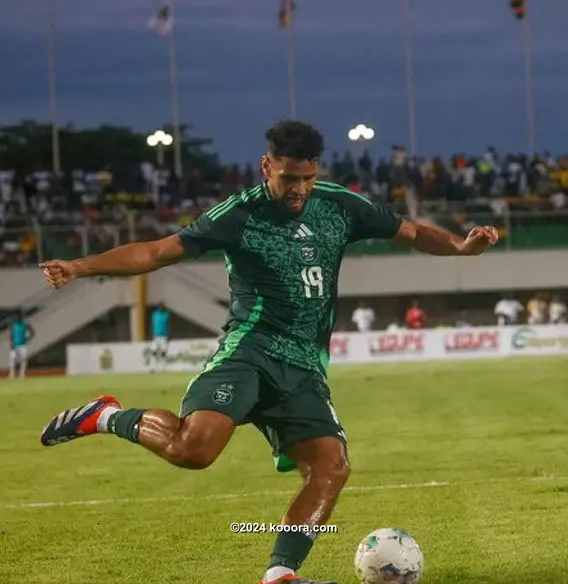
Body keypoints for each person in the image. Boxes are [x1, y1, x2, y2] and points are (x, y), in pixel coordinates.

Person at [38, 120, 498, 584]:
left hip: (304, 366)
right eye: (289, 178)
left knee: (330, 468)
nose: (299, 189)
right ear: (266, 166)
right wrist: (81, 266)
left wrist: (461, 246)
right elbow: (158, 252)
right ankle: (106, 415)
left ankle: (280, 574)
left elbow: (413, 232)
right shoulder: (238, 215)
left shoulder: (338, 205)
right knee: (192, 450)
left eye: (307, 179)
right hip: (250, 352)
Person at [9, 309, 35, 379]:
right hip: (15, 344)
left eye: (19, 316)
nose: (18, 317)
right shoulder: (13, 324)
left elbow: (32, 331)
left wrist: (28, 338)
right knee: (13, 360)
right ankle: (12, 374)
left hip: (23, 345)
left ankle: (22, 375)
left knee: (23, 360)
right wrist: (11, 344)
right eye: (17, 316)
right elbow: (11, 335)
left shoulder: (25, 324)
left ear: (21, 316)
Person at [150, 301, 170, 372]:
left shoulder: (166, 314)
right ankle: (153, 367)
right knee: (154, 352)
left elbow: (167, 322)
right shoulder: (155, 314)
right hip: (156, 336)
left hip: (164, 336)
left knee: (163, 352)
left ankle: (163, 367)